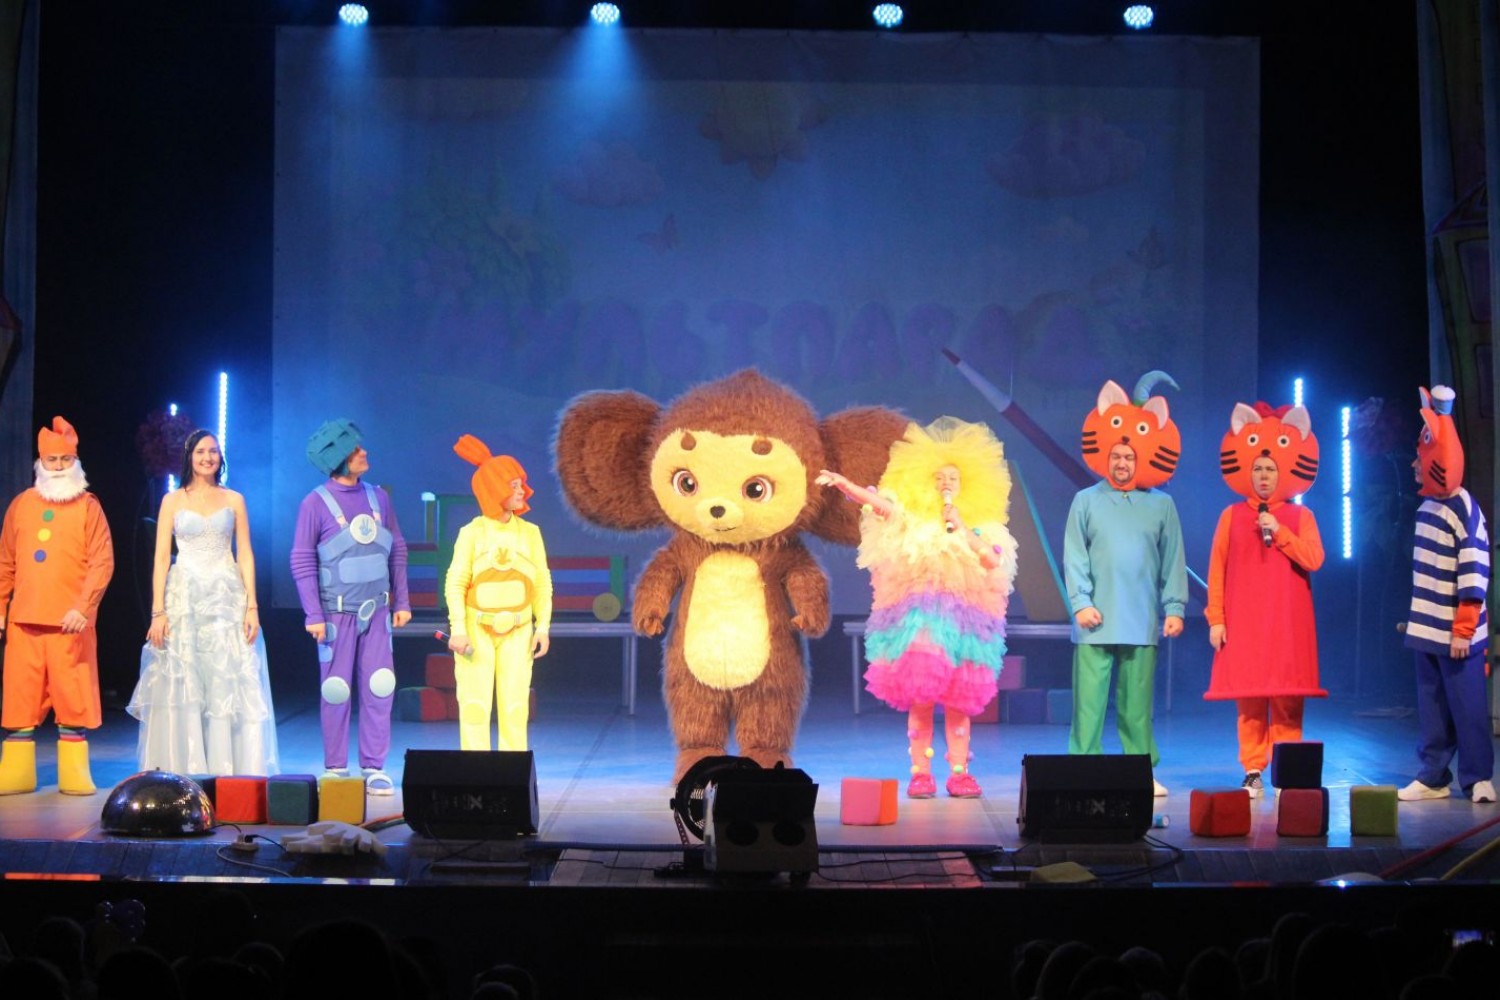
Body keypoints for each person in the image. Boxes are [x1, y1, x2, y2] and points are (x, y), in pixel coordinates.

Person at [818, 416, 1017, 798]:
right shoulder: (914, 521)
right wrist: (849, 487)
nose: (946, 484)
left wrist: (962, 527)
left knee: (959, 702)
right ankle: (920, 773)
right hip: (924, 623)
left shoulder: (983, 526)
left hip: (965, 626)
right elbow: (882, 507)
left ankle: (959, 773)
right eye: (939, 478)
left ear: (966, 484)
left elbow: (994, 560)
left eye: (952, 478)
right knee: (922, 697)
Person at [127, 430, 279, 776]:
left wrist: (252, 606)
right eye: (200, 452)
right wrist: (158, 611)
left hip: (225, 596)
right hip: (185, 597)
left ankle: (230, 771)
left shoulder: (234, 499)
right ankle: (184, 769)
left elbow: (245, 554)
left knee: (227, 677)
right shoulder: (172, 500)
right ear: (189, 457)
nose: (207, 457)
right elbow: (161, 558)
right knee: (184, 677)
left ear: (220, 457)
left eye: (213, 451)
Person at [1064, 375, 1187, 796]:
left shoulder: (1161, 505)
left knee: (1137, 707)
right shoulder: (1086, 500)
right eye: (1116, 456)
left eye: (1129, 457)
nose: (1122, 463)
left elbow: (1173, 560)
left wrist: (1174, 607)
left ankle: (1140, 771)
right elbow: (1074, 556)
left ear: (1140, 459)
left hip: (1139, 618)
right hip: (1094, 619)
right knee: (1088, 706)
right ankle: (1083, 772)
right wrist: (1081, 603)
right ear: (1106, 457)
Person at [1203, 403, 1325, 797]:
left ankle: (1287, 769)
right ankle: (1253, 769)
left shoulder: (1300, 518)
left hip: (1287, 624)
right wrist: (1216, 619)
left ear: (1281, 473)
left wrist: (1281, 533)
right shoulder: (1230, 516)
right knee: (1250, 699)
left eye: (1270, 469)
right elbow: (1217, 569)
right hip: (1245, 623)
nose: (1264, 476)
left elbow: (1315, 559)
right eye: (1258, 469)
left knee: (1287, 698)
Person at [291, 419, 410, 794]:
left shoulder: (379, 498)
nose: (364, 452)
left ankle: (374, 766)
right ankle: (336, 767)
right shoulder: (315, 503)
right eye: (356, 449)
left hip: (377, 612)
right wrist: (313, 613)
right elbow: (302, 559)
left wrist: (402, 600)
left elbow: (397, 549)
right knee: (336, 690)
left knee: (380, 686)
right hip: (335, 614)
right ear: (338, 457)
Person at [0, 416, 114, 795]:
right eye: (52, 461)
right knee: (20, 696)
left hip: (70, 622)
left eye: (66, 460)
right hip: (25, 620)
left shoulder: (88, 507)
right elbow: (5, 562)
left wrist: (83, 607)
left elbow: (101, 562)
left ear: (76, 462)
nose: (59, 467)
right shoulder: (21, 505)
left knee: (73, 695)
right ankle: (16, 772)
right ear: (41, 463)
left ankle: (74, 773)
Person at [1398, 385, 1494, 804]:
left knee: (1468, 706)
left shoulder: (1464, 510)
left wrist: (1464, 628)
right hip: (1427, 630)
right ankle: (1434, 775)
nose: (1414, 464)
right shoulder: (1426, 509)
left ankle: (1477, 777)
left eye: (1421, 457)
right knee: (1433, 707)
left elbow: (1475, 571)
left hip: (1458, 634)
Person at [444, 435, 553, 751]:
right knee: (474, 706)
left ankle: (512, 772)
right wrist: (458, 629)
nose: (521, 491)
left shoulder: (530, 533)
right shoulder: (472, 533)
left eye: (521, 485)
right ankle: (475, 773)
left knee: (516, 708)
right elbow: (456, 582)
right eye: (513, 485)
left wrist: (543, 627)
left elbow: (542, 583)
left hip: (519, 630)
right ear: (494, 489)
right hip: (477, 630)